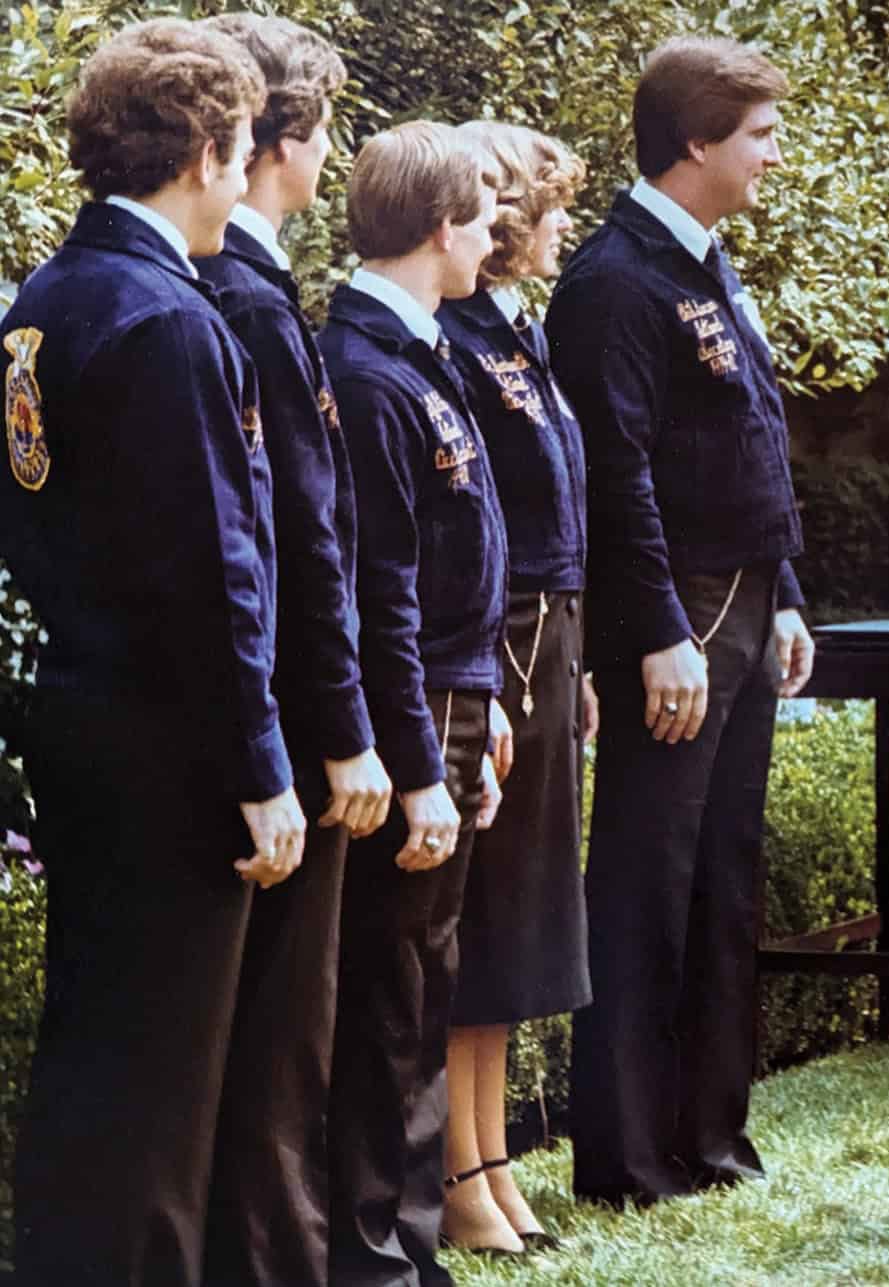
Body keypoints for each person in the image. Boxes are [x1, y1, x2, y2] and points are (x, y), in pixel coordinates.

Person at [0, 20, 308, 1285]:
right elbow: (214, 575)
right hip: (170, 747)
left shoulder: (40, 302)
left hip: (73, 721)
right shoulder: (168, 323)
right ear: (200, 153)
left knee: (92, 1054)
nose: (245, 179)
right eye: (240, 152)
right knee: (165, 1085)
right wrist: (261, 764)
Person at [549, 34, 815, 1210]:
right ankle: (629, 1155)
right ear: (695, 140)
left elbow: (751, 439)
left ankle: (709, 1136)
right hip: (682, 617)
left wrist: (790, 592)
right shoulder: (614, 280)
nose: (774, 154)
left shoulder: (706, 265)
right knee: (649, 885)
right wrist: (657, 627)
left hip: (748, 604)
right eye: (759, 133)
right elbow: (618, 471)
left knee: (725, 881)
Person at [190, 17, 393, 1284]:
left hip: (236, 715)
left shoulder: (234, 292)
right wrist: (346, 732)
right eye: (324, 132)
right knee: (278, 1041)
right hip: (281, 725)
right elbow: (302, 551)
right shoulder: (248, 307)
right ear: (279, 142)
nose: (333, 161)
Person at [318, 121, 508, 1285]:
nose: (494, 239)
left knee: (425, 981)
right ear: (442, 228)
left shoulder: (418, 356)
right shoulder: (366, 371)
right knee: (388, 995)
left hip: (453, 696)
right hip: (411, 709)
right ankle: (375, 1256)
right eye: (485, 217)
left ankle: (407, 1247)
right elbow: (379, 591)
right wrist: (423, 758)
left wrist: (478, 712)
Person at [436, 119, 594, 1256]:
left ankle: (491, 1161)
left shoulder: (514, 335)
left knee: (519, 923)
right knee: (479, 917)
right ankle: (455, 1172)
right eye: (549, 209)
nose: (560, 228)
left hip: (551, 638)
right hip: (497, 644)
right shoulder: (450, 338)